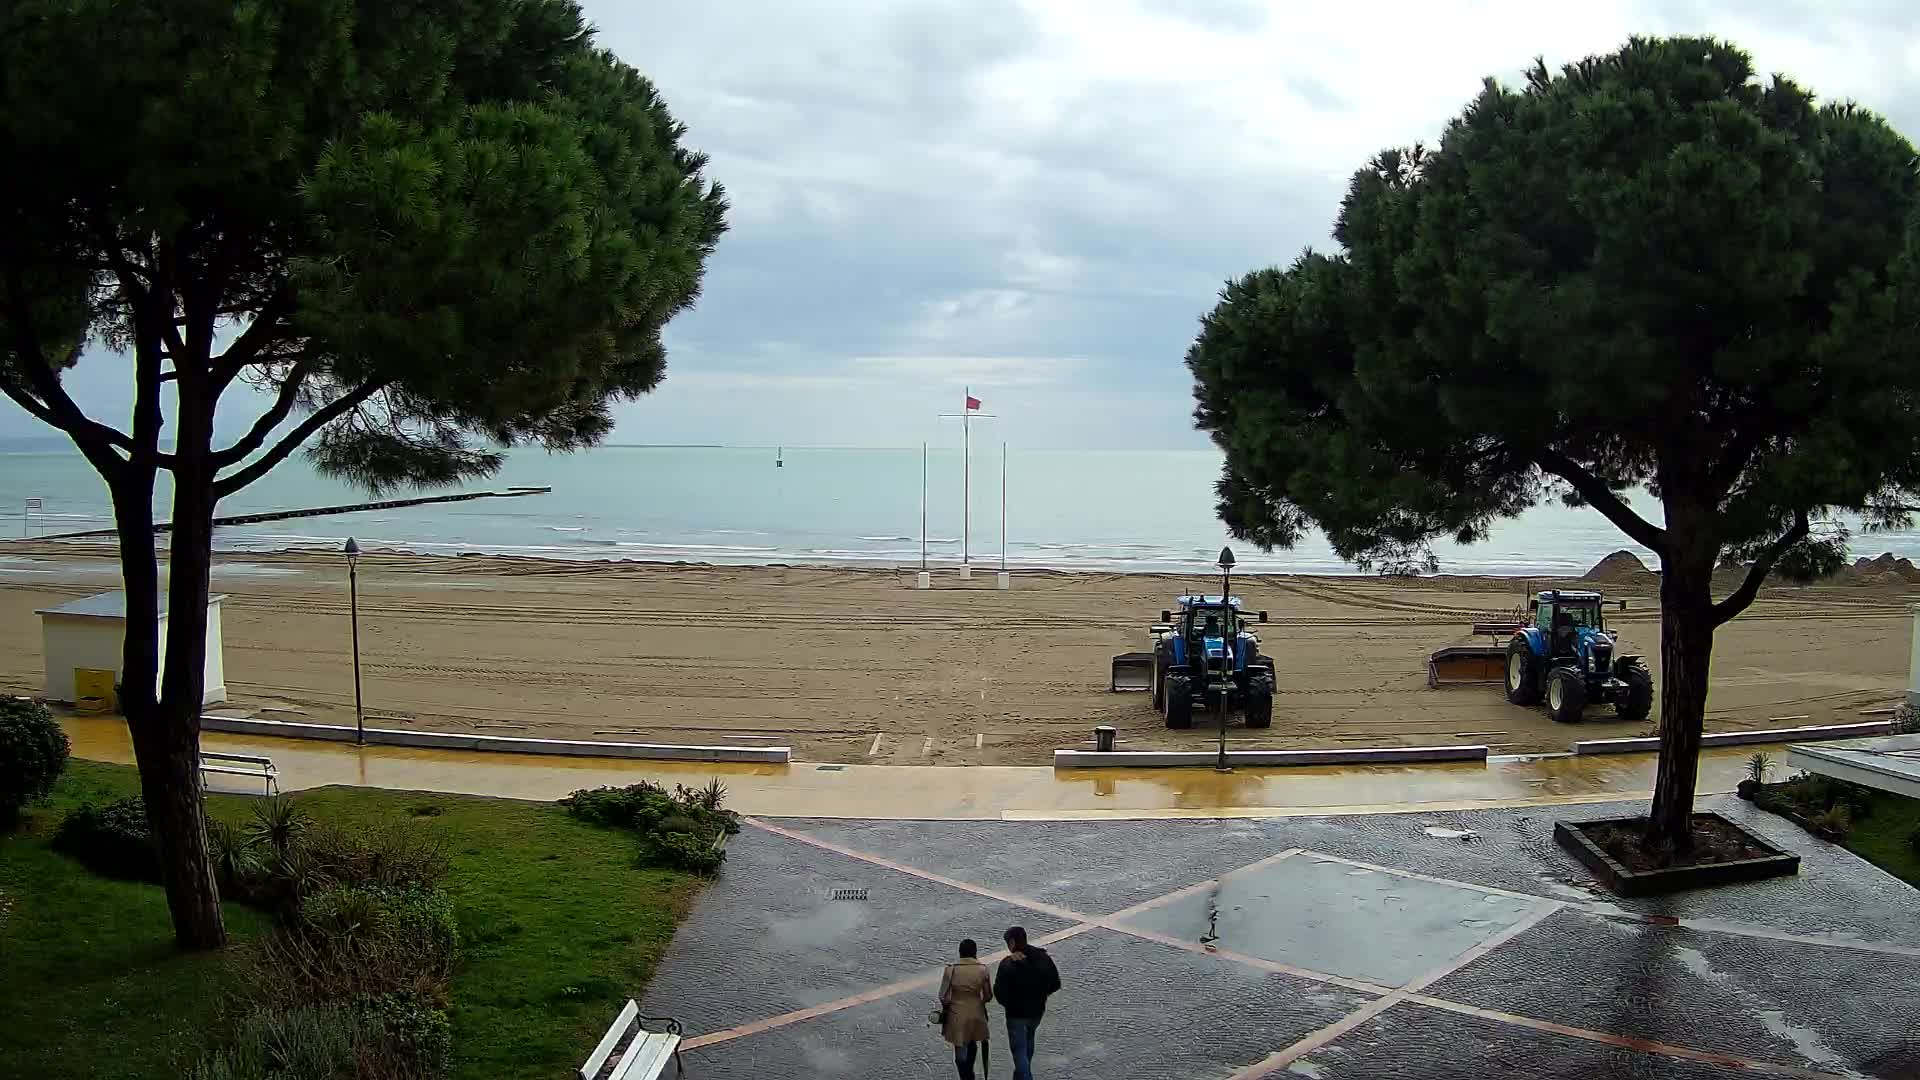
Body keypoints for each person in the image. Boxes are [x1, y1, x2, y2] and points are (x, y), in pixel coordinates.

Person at [993, 926, 1060, 1080]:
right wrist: (1041, 995)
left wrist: (1010, 1004)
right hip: (1036, 1012)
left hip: (1016, 1015)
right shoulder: (1043, 957)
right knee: (1028, 1045)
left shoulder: (1007, 965)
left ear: (1012, 942)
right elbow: (1055, 984)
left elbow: (1000, 993)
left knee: (1019, 1051)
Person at [938, 938, 993, 1079]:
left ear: (960, 953)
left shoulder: (951, 970)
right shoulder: (983, 969)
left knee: (960, 1050)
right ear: (975, 952)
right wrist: (978, 1002)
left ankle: (967, 1075)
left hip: (957, 1015)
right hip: (976, 1013)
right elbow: (988, 996)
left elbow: (943, 996)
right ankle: (970, 1071)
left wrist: (950, 1005)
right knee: (973, 1041)